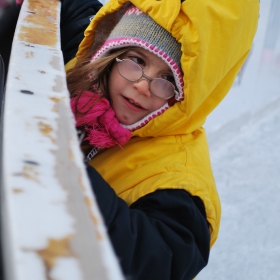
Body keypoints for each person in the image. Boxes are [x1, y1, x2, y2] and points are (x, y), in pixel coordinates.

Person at [62, 0, 259, 279]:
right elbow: (75, 13)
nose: (143, 85)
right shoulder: (85, 78)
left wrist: (65, 169)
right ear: (111, 53)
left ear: (185, 97)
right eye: (137, 60)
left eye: (168, 78)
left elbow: (160, 259)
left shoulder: (180, 178)